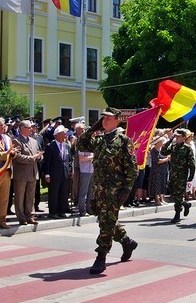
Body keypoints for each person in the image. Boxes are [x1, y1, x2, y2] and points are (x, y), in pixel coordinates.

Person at [76, 107, 138, 275]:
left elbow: (133, 168)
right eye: (103, 118)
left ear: (117, 120)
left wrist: (127, 190)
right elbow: (80, 144)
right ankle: (127, 242)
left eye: (108, 118)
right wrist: (93, 128)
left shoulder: (124, 141)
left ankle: (101, 257)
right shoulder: (100, 140)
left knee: (106, 222)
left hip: (115, 190)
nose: (104, 121)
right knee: (106, 220)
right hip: (99, 189)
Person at [10, 120, 43, 225]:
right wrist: (32, 158)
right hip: (21, 173)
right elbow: (17, 157)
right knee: (19, 196)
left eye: (31, 128)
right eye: (29, 128)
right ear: (22, 129)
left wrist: (39, 157)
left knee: (30, 196)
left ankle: (30, 216)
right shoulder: (16, 141)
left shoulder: (33, 141)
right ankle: (21, 217)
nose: (31, 129)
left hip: (33, 172)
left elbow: (38, 153)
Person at [162, 128, 195, 224]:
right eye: (175, 136)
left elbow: (192, 163)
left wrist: (191, 175)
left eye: (178, 136)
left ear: (184, 137)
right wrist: (169, 141)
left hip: (182, 174)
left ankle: (177, 214)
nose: (176, 138)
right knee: (173, 193)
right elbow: (163, 152)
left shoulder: (187, 148)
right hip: (173, 173)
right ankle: (185, 204)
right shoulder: (173, 146)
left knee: (179, 193)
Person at [43, 125, 72, 218]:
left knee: (63, 193)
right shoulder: (50, 146)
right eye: (63, 134)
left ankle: (61, 211)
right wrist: (47, 174)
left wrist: (70, 171)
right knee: (54, 193)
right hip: (54, 174)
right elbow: (47, 161)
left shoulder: (66, 146)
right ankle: (53, 212)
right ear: (57, 135)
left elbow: (69, 160)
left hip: (65, 173)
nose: (65, 136)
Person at [73, 124, 95, 216]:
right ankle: (82, 210)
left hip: (92, 169)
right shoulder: (82, 144)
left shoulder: (92, 143)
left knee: (91, 192)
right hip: (85, 170)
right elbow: (81, 158)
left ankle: (90, 209)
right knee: (83, 192)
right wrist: (93, 156)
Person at [148, 137, 169, 205]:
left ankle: (161, 198)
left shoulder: (162, 150)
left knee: (163, 184)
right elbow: (157, 161)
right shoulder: (154, 150)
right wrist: (167, 159)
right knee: (156, 184)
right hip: (156, 171)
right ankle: (156, 199)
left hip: (163, 170)